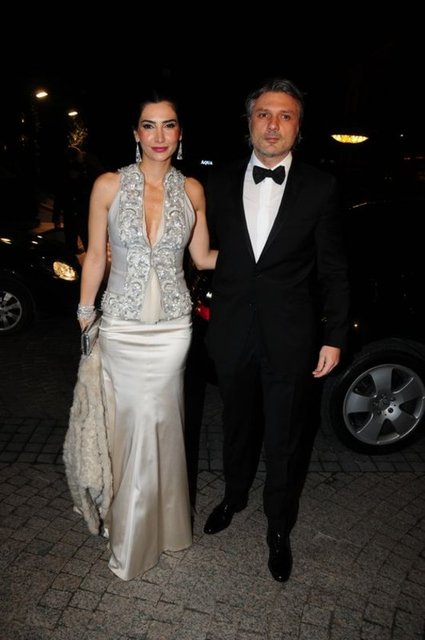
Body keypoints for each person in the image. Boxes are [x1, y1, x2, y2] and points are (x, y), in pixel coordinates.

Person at [203, 78, 350, 582]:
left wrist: (335, 336)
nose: (273, 124)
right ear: (249, 123)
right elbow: (190, 246)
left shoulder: (320, 186)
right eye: (264, 114)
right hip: (231, 331)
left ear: (298, 127)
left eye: (285, 115)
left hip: (292, 336)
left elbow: (333, 269)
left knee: (286, 435)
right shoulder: (217, 181)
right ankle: (234, 495)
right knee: (237, 424)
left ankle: (279, 526)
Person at [77, 90, 217, 581]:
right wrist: (84, 312)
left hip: (173, 329)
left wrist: (264, 255)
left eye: (169, 125)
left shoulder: (192, 190)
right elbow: (96, 257)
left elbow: (202, 258)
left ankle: (159, 528)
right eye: (149, 125)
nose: (159, 136)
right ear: (135, 133)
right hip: (120, 325)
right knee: (132, 423)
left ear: (180, 134)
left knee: (160, 423)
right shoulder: (108, 185)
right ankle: (134, 530)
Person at [53, 147, 103, 253]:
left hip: (84, 211)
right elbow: (61, 192)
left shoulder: (90, 164)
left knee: (88, 243)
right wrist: (56, 216)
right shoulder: (67, 170)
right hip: (72, 211)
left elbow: (98, 181)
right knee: (71, 244)